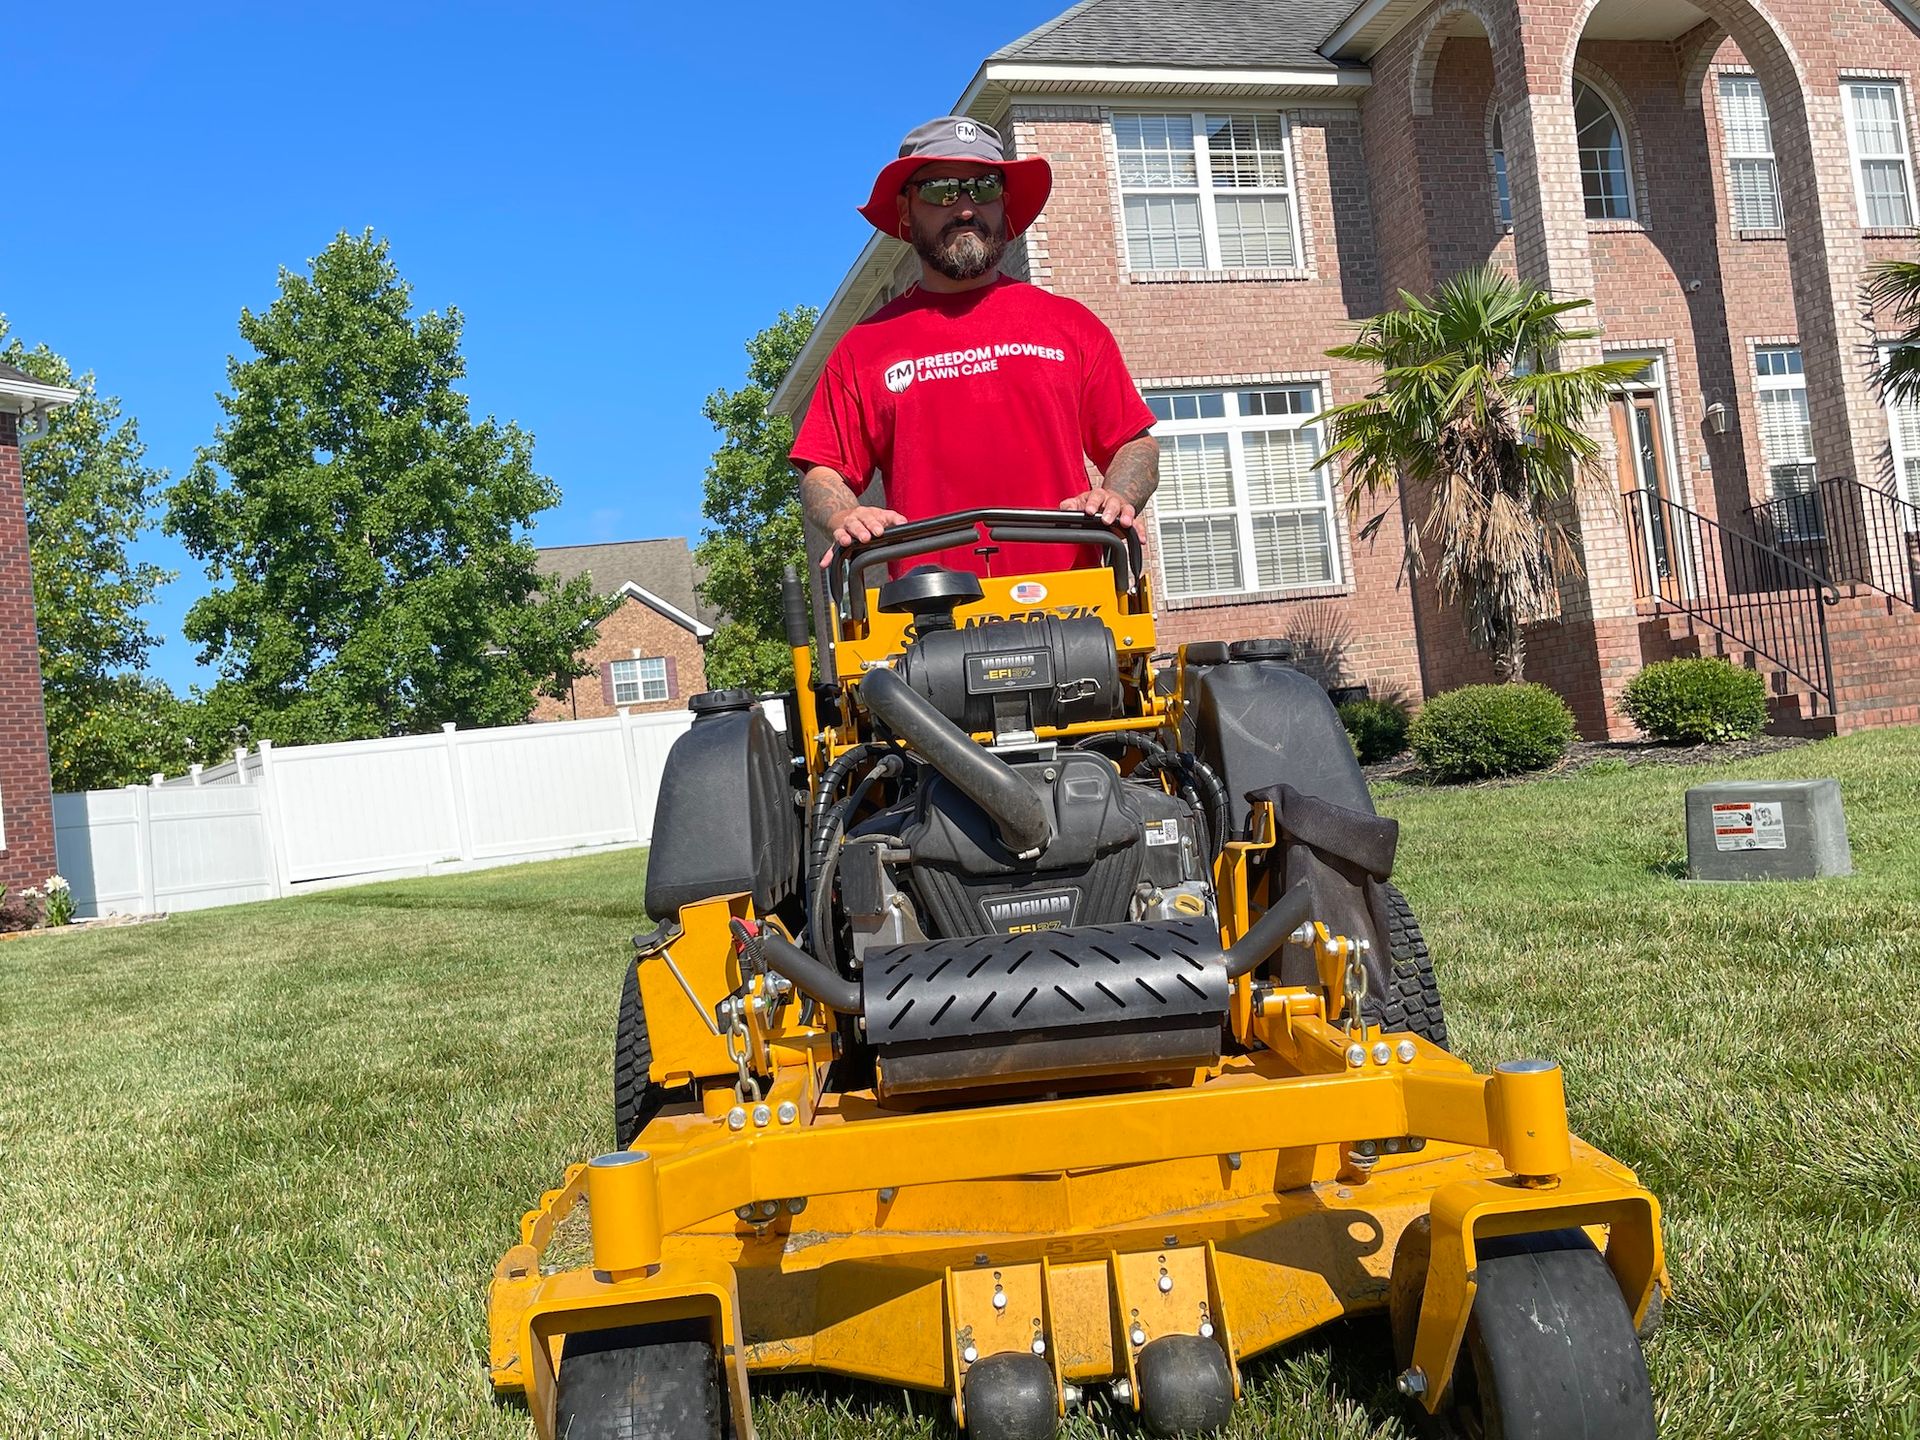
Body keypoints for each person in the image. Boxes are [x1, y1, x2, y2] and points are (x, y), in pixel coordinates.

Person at [791, 115, 1160, 576]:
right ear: (906, 209)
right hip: (929, 619)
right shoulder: (862, 350)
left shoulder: (1070, 325)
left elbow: (1134, 443)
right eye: (941, 189)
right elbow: (824, 469)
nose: (965, 207)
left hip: (1075, 609)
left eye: (983, 187)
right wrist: (845, 516)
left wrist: (1118, 497)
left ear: (1003, 204)